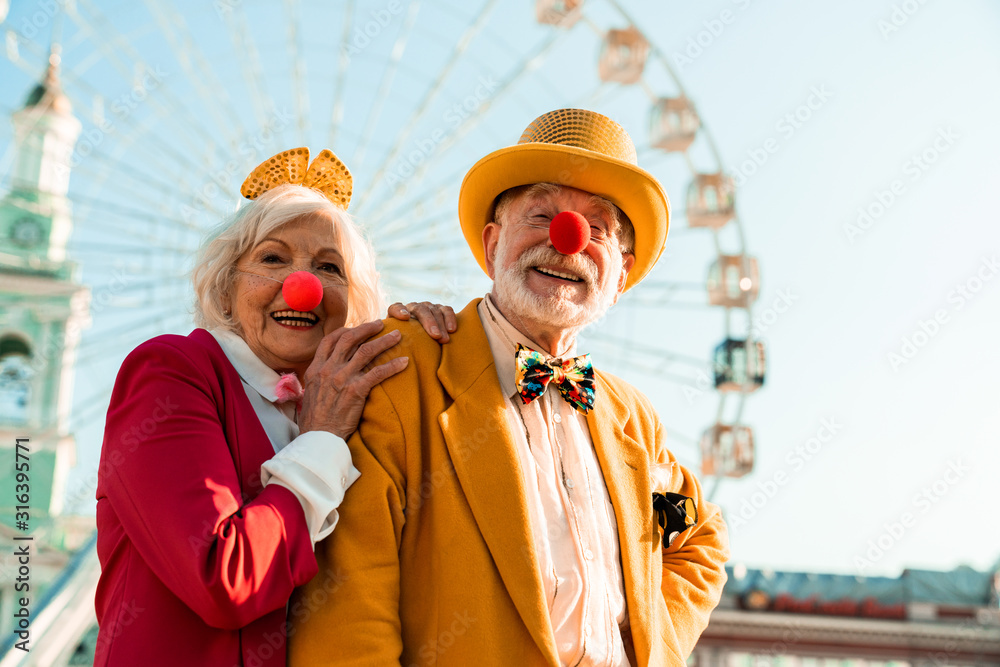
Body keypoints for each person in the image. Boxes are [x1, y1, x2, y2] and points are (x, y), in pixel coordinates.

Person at [288, 110, 729, 666]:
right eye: (541, 213)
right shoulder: (402, 367)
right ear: (492, 243)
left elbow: (699, 541)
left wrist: (654, 650)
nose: (567, 239)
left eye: (597, 229)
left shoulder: (632, 417)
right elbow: (349, 610)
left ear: (621, 275)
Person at [93, 147, 456, 667]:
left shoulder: (354, 409)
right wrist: (323, 439)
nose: (301, 287)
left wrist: (425, 346)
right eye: (272, 258)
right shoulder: (171, 372)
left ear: (351, 305)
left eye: (328, 268)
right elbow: (226, 579)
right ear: (226, 286)